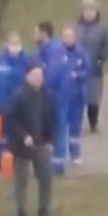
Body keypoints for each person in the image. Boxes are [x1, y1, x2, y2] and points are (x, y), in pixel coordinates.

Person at [2, 64, 55, 216]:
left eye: (41, 74)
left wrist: (50, 140)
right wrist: (23, 136)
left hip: (41, 143)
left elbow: (52, 119)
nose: (39, 78)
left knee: (46, 177)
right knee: (22, 179)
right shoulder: (19, 95)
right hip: (22, 145)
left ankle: (43, 210)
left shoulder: (46, 95)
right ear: (27, 76)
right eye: (35, 74)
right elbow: (9, 119)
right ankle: (21, 212)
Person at [33, 22, 70, 174]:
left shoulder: (55, 49)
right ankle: (47, 161)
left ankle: (57, 164)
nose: (33, 35)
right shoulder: (43, 49)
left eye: (35, 32)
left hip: (56, 96)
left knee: (58, 127)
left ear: (44, 33)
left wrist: (42, 87)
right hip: (48, 96)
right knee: (47, 128)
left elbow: (52, 73)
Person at [75, 0, 108, 133]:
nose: (89, 13)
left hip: (94, 68)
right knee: (76, 97)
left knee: (93, 97)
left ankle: (93, 122)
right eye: (87, 10)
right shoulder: (76, 27)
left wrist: (101, 58)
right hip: (77, 68)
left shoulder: (102, 28)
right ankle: (75, 123)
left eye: (92, 10)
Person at [59, 26, 91, 165]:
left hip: (77, 97)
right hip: (61, 97)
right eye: (66, 37)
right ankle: (59, 153)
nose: (68, 39)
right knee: (60, 126)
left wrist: (78, 75)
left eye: (71, 36)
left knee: (75, 127)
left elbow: (87, 71)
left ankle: (75, 154)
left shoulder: (81, 53)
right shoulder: (58, 53)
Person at [0, 32, 28, 169]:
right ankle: (0, 160)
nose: (15, 47)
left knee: (16, 133)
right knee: (1, 135)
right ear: (6, 45)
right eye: (12, 43)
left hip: (19, 105)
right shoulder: (0, 60)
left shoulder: (26, 60)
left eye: (17, 43)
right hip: (1, 104)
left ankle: (16, 160)